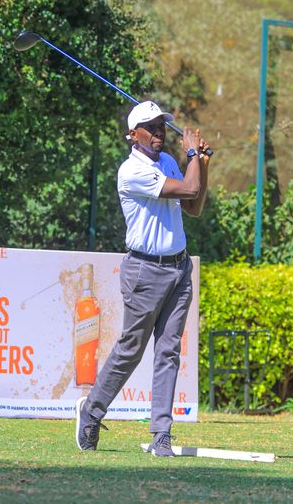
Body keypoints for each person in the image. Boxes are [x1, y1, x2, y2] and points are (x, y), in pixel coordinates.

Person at [75, 101, 211, 457]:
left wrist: (202, 163)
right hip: (144, 271)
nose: (158, 133)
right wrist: (193, 154)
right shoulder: (130, 171)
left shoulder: (166, 162)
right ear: (133, 136)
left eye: (161, 126)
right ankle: (91, 409)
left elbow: (194, 206)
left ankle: (161, 435)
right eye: (150, 128)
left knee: (168, 353)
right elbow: (187, 191)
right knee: (131, 350)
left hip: (179, 270)